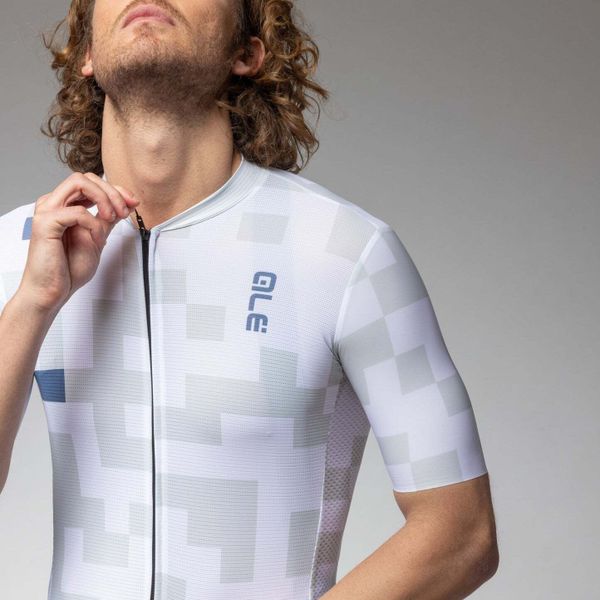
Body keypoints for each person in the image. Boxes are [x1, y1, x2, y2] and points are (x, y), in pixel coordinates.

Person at [0, 1, 498, 598]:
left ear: (246, 52)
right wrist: (32, 304)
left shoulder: (343, 251)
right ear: (86, 54)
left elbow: (462, 532)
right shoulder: (21, 250)